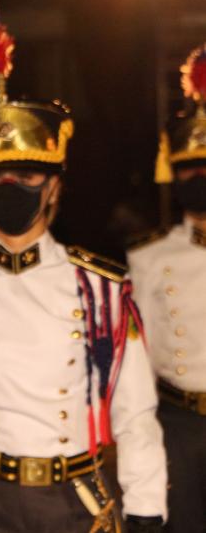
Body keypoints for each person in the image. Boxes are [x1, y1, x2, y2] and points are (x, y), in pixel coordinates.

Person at [0, 3, 167, 533]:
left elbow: (136, 414)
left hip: (74, 501)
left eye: (26, 174)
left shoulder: (101, 287)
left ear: (54, 184)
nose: (8, 189)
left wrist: (146, 508)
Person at [127, 43, 206, 533]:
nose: (197, 178)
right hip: (178, 423)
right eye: (188, 169)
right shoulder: (148, 257)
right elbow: (140, 355)